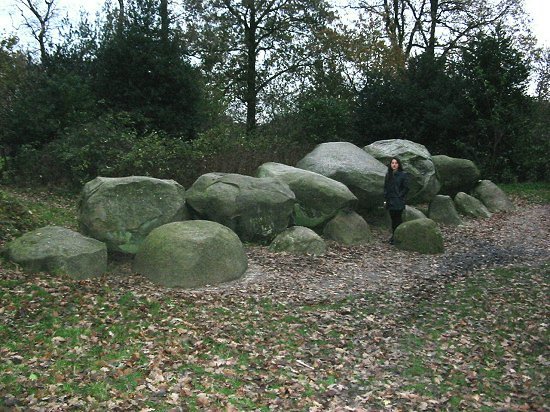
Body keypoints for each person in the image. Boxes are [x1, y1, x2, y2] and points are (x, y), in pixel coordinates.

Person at [384, 157, 409, 244]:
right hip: (390, 200)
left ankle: (398, 237)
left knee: (398, 219)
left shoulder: (403, 174)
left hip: (398, 200)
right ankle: (394, 236)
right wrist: (386, 197)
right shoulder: (388, 175)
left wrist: (400, 196)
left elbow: (406, 188)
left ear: (398, 164)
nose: (394, 165)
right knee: (393, 219)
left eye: (396, 163)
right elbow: (386, 187)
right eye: (392, 163)